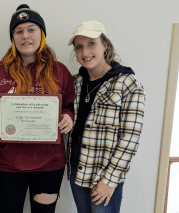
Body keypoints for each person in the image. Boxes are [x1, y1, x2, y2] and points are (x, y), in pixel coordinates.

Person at [0, 4, 75, 213]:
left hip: (49, 163)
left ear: (42, 33)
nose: (26, 36)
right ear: (13, 37)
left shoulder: (59, 71)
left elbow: (69, 106)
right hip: (7, 163)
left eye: (32, 29)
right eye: (19, 31)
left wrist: (68, 118)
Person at [66, 20, 145, 213]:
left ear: (105, 45)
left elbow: (130, 138)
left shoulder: (127, 83)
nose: (85, 53)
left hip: (105, 169)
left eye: (91, 43)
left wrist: (110, 181)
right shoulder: (75, 83)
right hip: (77, 163)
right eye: (79, 47)